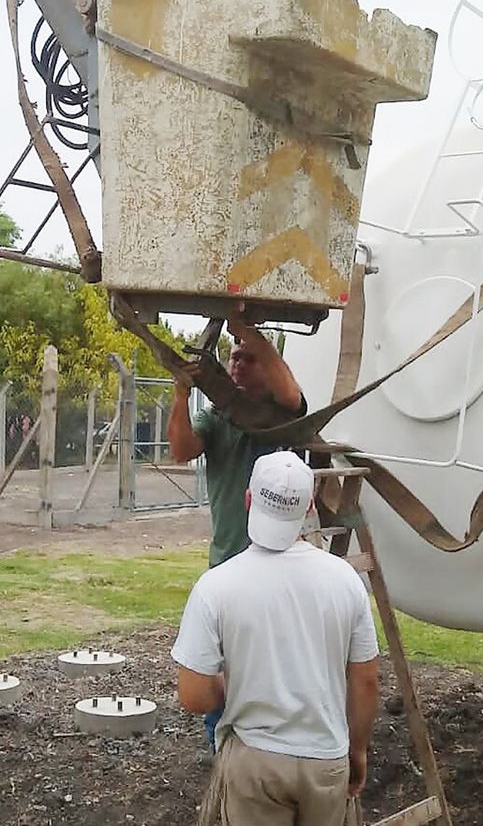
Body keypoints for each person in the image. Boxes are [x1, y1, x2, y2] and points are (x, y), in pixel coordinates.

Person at [172, 451, 381, 826]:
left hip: (256, 761)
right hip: (326, 761)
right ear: (309, 508)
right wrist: (358, 750)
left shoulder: (216, 587)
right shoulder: (346, 581)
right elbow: (365, 680)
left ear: (249, 499)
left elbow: (193, 695)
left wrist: (236, 684)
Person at [168, 310, 306, 751]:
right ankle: (222, 742)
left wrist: (245, 328)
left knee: (274, 657)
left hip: (281, 565)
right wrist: (179, 393)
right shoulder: (217, 418)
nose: (237, 365)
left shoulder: (283, 414)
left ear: (268, 365)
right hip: (229, 558)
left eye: (248, 359)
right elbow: (181, 450)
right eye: (233, 358)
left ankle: (270, 736)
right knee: (223, 660)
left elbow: (289, 390)